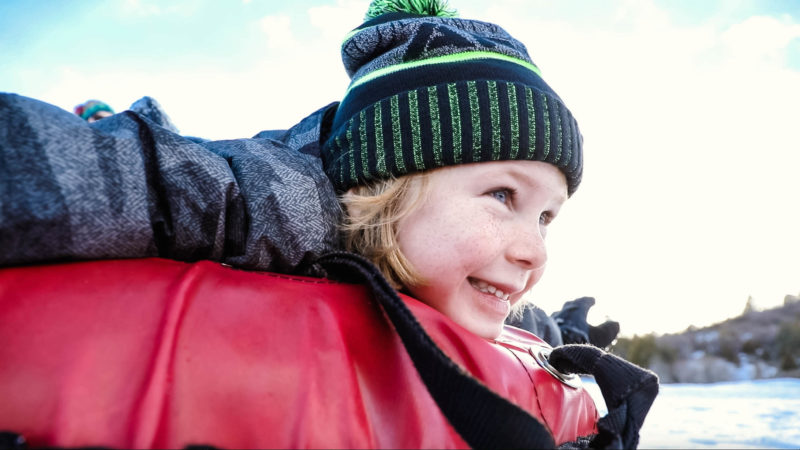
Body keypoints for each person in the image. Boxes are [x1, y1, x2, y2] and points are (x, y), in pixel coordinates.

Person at [0, 0, 658, 448]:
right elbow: (132, 175)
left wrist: (561, 333)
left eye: (548, 216)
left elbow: (500, 314)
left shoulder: (443, 257)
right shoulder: (286, 195)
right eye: (502, 196)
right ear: (390, 184)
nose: (533, 250)